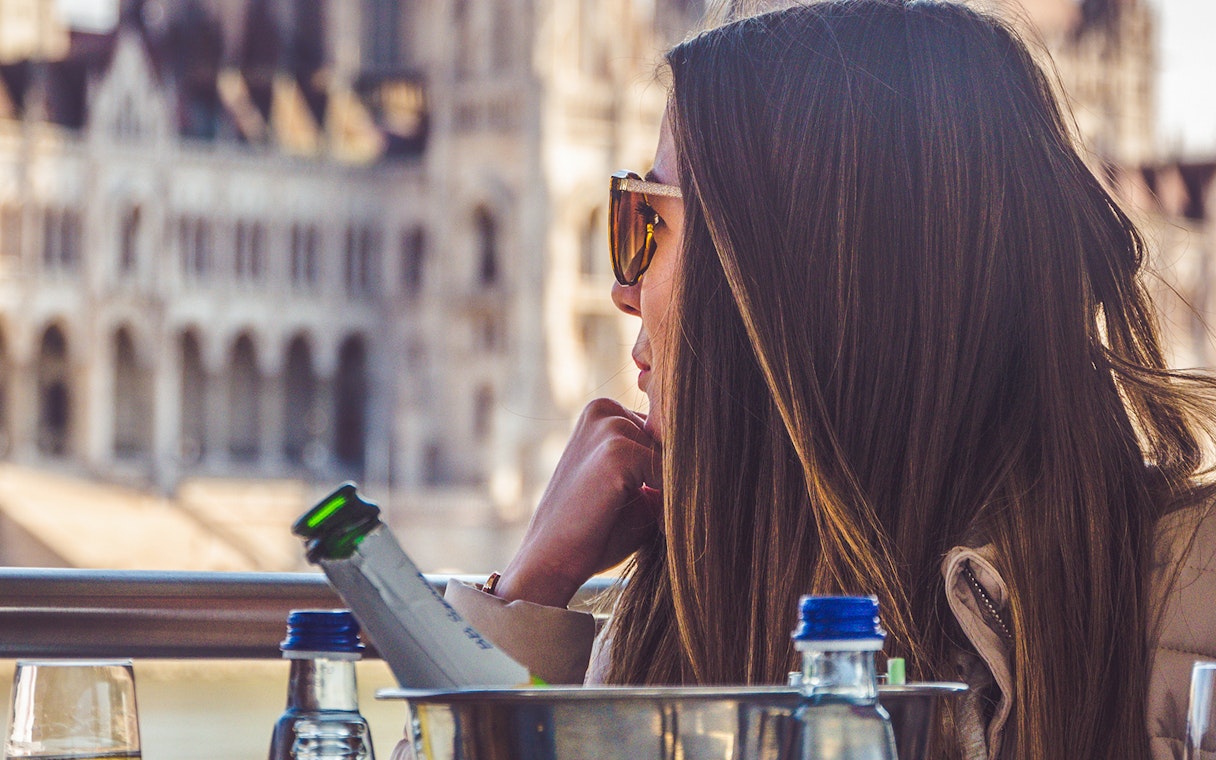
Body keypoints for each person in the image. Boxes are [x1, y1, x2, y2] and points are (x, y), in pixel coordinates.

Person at [440, 2, 1216, 759]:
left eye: (648, 219)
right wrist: (530, 593)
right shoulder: (670, 618)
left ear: (787, 279)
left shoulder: (1191, 610)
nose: (623, 287)